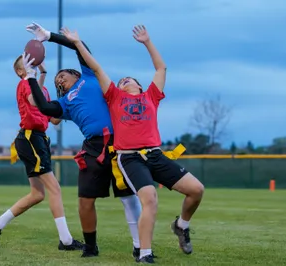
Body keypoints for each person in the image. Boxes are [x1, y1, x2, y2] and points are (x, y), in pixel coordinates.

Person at [58, 25, 205, 263]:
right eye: (121, 80)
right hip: (130, 157)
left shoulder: (151, 96)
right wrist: (77, 43)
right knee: (149, 199)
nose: (124, 81)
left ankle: (181, 225)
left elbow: (161, 67)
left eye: (128, 79)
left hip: (155, 155)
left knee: (197, 190)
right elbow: (95, 68)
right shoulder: (115, 96)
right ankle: (144, 253)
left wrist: (147, 42)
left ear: (139, 85)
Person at [23, 22, 145, 259]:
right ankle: (90, 247)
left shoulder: (89, 75)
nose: (59, 79)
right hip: (93, 147)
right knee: (85, 200)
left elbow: (81, 48)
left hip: (119, 143)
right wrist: (30, 77)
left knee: (128, 196)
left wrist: (49, 36)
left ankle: (140, 246)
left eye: (62, 74)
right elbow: (46, 107)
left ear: (76, 73)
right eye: (56, 80)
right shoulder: (65, 103)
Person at [0, 57, 83, 252]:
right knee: (55, 188)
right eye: (28, 65)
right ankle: (66, 240)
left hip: (38, 139)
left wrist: (67, 103)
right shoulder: (24, 84)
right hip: (30, 139)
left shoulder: (42, 90)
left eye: (34, 64)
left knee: (37, 194)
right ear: (21, 72)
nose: (33, 67)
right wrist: (40, 76)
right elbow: (32, 100)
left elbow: (53, 119)